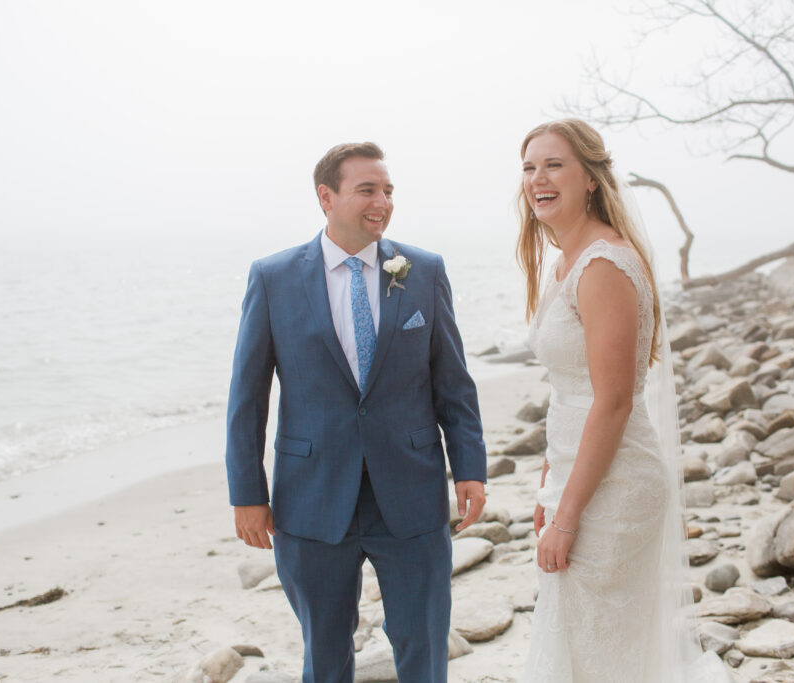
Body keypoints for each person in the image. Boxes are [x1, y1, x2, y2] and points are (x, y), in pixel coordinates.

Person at [225, 141, 487, 683]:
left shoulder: (422, 270)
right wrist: (248, 494)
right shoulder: (272, 279)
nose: (382, 202)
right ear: (327, 196)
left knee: (424, 648)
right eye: (367, 189)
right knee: (324, 656)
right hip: (312, 499)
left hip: (411, 494)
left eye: (388, 191)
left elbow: (453, 383)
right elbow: (248, 398)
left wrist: (470, 468)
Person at [516, 119, 723, 682]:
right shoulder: (564, 262)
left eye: (554, 164)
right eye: (530, 167)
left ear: (590, 178)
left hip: (615, 485)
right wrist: (548, 483)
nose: (538, 178)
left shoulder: (603, 263)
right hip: (578, 473)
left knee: (602, 655)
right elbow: (569, 391)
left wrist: (567, 515)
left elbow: (613, 402)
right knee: (581, 647)